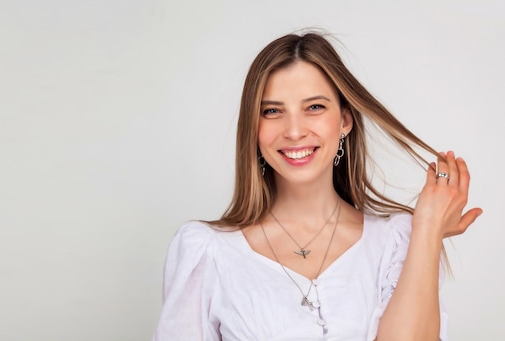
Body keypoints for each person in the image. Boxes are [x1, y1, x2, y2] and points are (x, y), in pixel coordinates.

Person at [152, 32, 482, 340]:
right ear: (253, 128)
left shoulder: (398, 242)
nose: (294, 131)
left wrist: (426, 230)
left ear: (344, 120)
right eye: (272, 111)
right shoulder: (207, 253)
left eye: (314, 107)